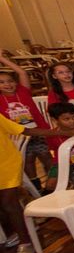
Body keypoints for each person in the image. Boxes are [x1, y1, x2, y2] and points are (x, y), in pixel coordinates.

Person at [0, 112, 74, 253]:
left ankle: (25, 243)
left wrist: (65, 132)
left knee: (9, 203)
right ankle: (10, 236)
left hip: (5, 164)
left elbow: (26, 131)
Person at [0, 54, 53, 190]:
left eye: (10, 81)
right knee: (28, 162)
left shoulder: (23, 92)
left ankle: (54, 184)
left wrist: (2, 59)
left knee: (46, 157)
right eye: (2, 82)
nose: (8, 84)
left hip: (38, 132)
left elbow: (22, 72)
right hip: (18, 137)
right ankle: (36, 188)